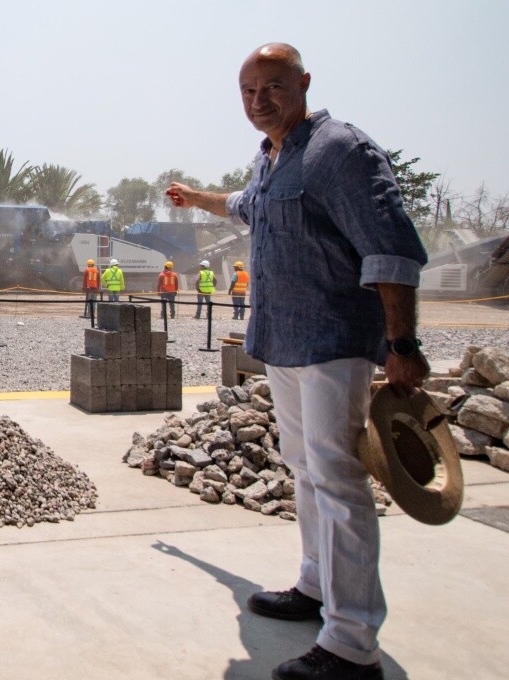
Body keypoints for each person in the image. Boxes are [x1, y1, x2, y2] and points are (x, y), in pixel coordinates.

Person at [166, 42, 428, 680]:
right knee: (306, 469)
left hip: (334, 341)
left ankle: (351, 643)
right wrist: (194, 196)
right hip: (283, 339)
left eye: (274, 87)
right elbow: (246, 205)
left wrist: (402, 345)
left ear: (304, 82)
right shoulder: (270, 160)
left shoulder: (340, 151)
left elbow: (390, 250)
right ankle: (315, 589)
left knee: (338, 480)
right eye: (250, 92)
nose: (261, 101)